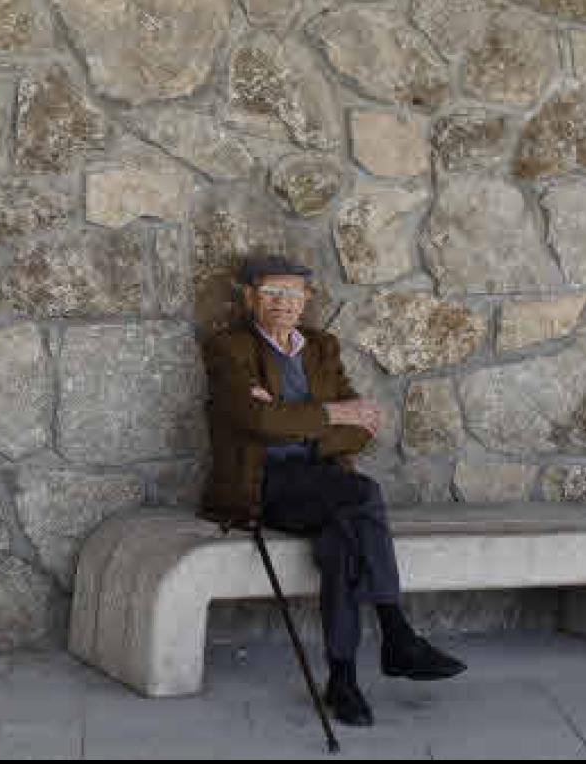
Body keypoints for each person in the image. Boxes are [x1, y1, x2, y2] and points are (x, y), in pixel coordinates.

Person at [199, 254, 466, 727]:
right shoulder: (228, 348)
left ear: (307, 299)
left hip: (323, 483)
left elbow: (362, 430)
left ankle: (343, 681)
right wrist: (329, 415)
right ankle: (395, 630)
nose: (283, 303)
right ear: (250, 297)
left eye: (292, 293)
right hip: (263, 484)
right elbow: (258, 421)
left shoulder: (321, 348)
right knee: (362, 494)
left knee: (341, 543)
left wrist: (293, 418)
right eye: (271, 293)